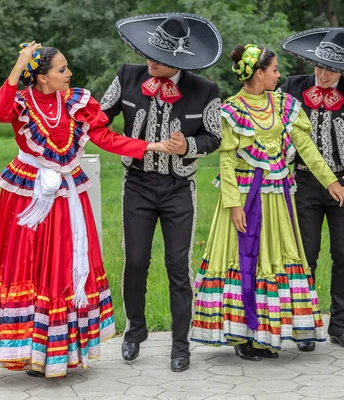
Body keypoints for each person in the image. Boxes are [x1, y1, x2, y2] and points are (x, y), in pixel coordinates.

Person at [0, 41, 180, 378]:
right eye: (62, 69)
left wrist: (150, 146)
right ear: (41, 78)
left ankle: (59, 351)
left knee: (63, 265)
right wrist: (18, 64)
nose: (70, 74)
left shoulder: (77, 101)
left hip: (67, 193)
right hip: (30, 193)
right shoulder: (22, 101)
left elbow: (104, 137)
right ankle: (28, 348)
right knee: (29, 265)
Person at [190, 44, 344, 361]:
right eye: (274, 70)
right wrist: (233, 204)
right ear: (258, 73)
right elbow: (226, 162)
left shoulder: (284, 105)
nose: (279, 75)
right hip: (244, 197)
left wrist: (331, 181)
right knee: (243, 261)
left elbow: (307, 148)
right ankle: (242, 336)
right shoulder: (232, 110)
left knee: (275, 260)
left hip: (277, 198)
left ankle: (265, 335)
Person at [100, 13, 223, 372]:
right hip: (136, 184)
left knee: (177, 265)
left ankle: (180, 345)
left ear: (179, 60)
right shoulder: (127, 76)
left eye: (158, 56)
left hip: (178, 188)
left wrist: (188, 145)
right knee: (136, 260)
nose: (149, 59)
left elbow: (214, 137)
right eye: (148, 52)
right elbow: (98, 115)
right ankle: (134, 331)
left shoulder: (205, 90)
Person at [280, 28, 344, 351]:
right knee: (305, 254)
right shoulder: (291, 88)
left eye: (331, 69)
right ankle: (305, 324)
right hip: (304, 183)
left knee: (342, 255)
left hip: (343, 186)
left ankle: (339, 323)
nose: (323, 74)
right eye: (319, 66)